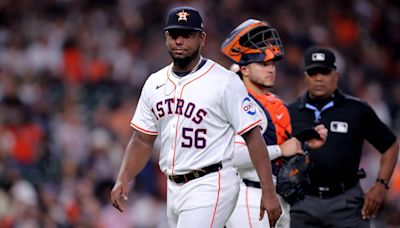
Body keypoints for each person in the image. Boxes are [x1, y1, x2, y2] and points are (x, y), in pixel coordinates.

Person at [110, 7, 282, 228]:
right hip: (173, 187)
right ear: (166, 38)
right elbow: (143, 139)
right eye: (174, 35)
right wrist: (124, 177)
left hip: (212, 182)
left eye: (187, 35)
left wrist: (268, 192)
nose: (179, 41)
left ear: (201, 38)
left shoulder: (225, 81)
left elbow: (253, 137)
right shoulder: (155, 82)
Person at [220, 19, 327, 228]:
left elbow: (282, 152)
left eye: (272, 64)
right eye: (262, 63)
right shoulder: (237, 103)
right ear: (245, 70)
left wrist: (304, 145)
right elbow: (232, 156)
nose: (271, 69)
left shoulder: (274, 104)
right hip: (247, 197)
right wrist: (280, 150)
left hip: (278, 198)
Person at [288, 47, 399, 227]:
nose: (318, 78)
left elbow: (390, 145)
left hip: (346, 203)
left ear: (336, 76)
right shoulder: (290, 112)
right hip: (302, 202)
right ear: (305, 76)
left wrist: (380, 185)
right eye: (313, 72)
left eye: (324, 72)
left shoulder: (356, 110)